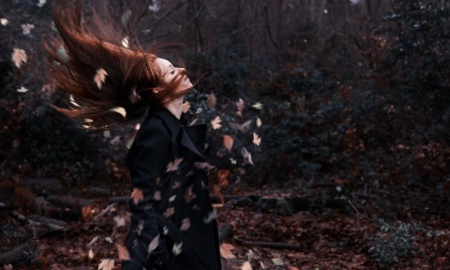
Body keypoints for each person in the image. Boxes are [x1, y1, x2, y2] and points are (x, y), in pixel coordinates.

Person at [43, 1, 221, 269]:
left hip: (190, 244)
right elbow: (143, 206)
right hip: (170, 254)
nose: (182, 70)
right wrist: (150, 257)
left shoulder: (179, 125)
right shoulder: (155, 133)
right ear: (160, 92)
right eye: (172, 71)